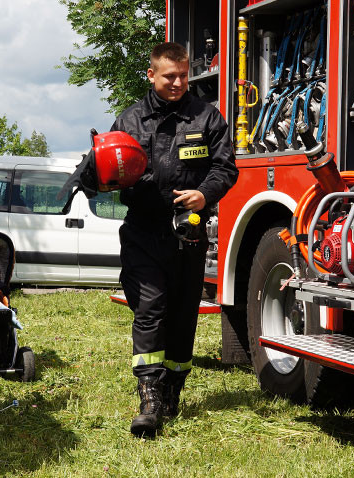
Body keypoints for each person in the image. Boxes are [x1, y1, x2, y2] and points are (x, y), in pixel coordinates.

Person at [110, 42, 238, 437]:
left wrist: (205, 193)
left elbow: (225, 167)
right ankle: (149, 396)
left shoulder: (207, 117)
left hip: (189, 234)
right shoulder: (128, 121)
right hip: (144, 232)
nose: (179, 82)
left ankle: (172, 391)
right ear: (151, 74)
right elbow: (107, 170)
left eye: (184, 75)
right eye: (170, 76)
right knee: (151, 309)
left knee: (183, 319)